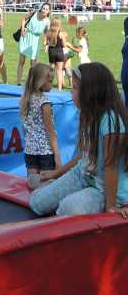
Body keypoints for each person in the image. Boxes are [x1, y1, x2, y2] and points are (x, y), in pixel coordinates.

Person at [29, 63, 128, 217]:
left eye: (75, 88)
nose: (71, 93)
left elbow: (111, 167)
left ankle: (72, 196)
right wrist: (57, 173)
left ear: (91, 92)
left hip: (102, 189)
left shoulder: (110, 122)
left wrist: (111, 207)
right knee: (37, 203)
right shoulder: (87, 114)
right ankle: (51, 186)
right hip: (82, 175)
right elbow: (84, 155)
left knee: (68, 209)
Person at [20, 63, 61, 189]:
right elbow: (50, 131)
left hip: (30, 150)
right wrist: (57, 155)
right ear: (41, 82)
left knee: (33, 184)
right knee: (47, 186)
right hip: (45, 151)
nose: (52, 84)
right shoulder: (45, 103)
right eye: (50, 81)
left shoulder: (26, 100)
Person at [16, 2, 51, 85]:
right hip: (26, 36)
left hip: (35, 40)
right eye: (43, 8)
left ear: (49, 11)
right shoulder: (34, 13)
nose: (44, 10)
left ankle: (31, 83)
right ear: (41, 8)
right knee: (22, 61)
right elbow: (23, 19)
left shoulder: (47, 21)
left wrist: (46, 44)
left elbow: (46, 33)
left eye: (46, 9)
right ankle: (18, 83)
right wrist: (22, 30)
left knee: (33, 63)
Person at [45, 17, 70, 92]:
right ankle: (59, 89)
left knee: (51, 71)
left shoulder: (48, 32)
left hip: (51, 52)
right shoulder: (61, 33)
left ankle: (48, 87)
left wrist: (48, 44)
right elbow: (64, 45)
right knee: (59, 71)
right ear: (59, 24)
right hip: (59, 52)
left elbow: (45, 43)